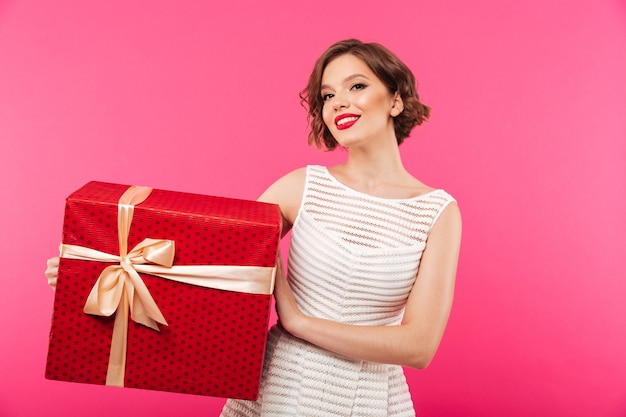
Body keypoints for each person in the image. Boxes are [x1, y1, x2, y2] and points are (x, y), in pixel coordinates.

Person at [47, 39, 462, 417]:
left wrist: (298, 322)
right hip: (280, 390)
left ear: (396, 100)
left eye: (356, 87)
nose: (338, 104)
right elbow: (201, 260)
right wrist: (96, 271)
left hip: (371, 402)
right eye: (327, 95)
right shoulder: (303, 187)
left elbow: (419, 347)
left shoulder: (437, 212)